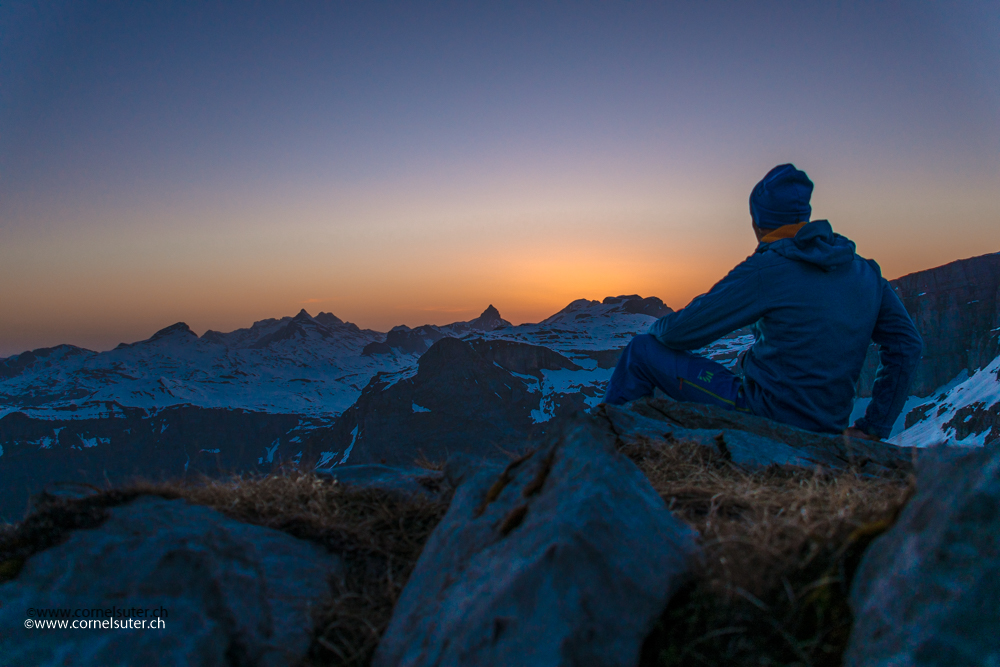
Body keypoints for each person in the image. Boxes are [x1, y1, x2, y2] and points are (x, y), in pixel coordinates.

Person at [603, 164, 922, 440]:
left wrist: (660, 322)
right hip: (830, 426)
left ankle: (607, 449)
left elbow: (677, 333)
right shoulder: (866, 271)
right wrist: (873, 427)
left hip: (764, 416)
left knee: (641, 351)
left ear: (759, 222)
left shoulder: (767, 268)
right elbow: (907, 345)